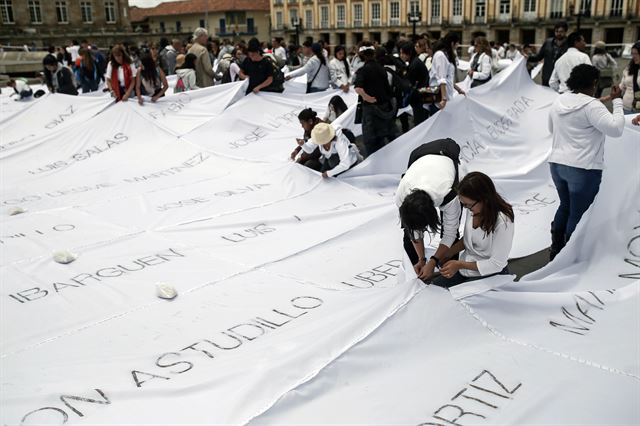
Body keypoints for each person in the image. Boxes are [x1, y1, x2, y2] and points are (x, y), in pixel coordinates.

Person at [547, 64, 625, 259]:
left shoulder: (559, 101)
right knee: (578, 213)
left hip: (557, 164)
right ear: (594, 83)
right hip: (583, 167)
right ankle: (572, 256)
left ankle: (556, 249)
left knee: (564, 205)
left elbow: (551, 128)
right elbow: (616, 129)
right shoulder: (592, 106)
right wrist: (617, 103)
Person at [432, 172, 515, 288]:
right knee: (433, 289)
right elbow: (468, 240)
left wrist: (459, 264)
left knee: (456, 301)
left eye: (468, 205)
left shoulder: (503, 221)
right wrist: (446, 254)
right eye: (464, 205)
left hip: (491, 274)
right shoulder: (474, 209)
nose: (467, 208)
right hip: (465, 268)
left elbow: (496, 264)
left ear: (484, 199)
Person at [396, 139, 462, 281]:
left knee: (452, 233)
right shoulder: (402, 193)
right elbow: (412, 230)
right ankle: (417, 273)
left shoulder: (447, 193)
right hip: (418, 156)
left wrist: (433, 261)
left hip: (446, 151)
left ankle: (450, 276)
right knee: (408, 234)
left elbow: (450, 234)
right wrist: (421, 259)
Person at [354, 43, 397, 156]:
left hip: (370, 112)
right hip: (384, 108)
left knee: (371, 142)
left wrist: (366, 97)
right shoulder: (381, 69)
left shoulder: (363, 70)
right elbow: (388, 89)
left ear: (362, 55)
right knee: (382, 138)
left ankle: (374, 167)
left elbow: (358, 88)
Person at [299, 123, 363, 178]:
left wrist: (329, 173)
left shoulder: (339, 141)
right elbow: (309, 149)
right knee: (323, 176)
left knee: (334, 175)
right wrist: (303, 145)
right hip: (330, 159)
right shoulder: (319, 135)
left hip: (348, 161)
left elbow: (346, 163)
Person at [428, 33, 465, 112]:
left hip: (447, 96)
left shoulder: (447, 55)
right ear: (452, 43)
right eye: (457, 43)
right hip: (440, 99)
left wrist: (458, 89)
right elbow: (441, 78)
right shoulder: (440, 55)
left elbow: (448, 77)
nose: (458, 45)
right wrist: (444, 99)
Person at [527, 21, 569, 86]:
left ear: (565, 32)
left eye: (561, 32)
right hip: (546, 78)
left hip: (561, 80)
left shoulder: (569, 45)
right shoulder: (548, 42)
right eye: (556, 31)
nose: (558, 33)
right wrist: (527, 57)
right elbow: (538, 57)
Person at [399, 41, 429, 125]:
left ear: (409, 53)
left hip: (419, 97)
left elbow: (410, 82)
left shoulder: (414, 64)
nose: (401, 55)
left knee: (419, 123)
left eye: (403, 53)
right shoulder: (415, 62)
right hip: (420, 96)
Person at [619, 42, 640, 114]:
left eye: (636, 54)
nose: (633, 56)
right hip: (626, 107)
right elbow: (622, 87)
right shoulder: (628, 68)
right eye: (632, 53)